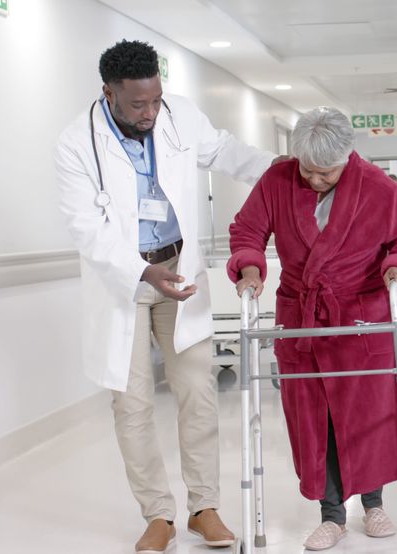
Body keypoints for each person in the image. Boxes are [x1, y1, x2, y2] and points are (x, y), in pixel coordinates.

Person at [54, 39, 285, 554]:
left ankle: (204, 508)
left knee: (197, 391)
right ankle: (158, 514)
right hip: (126, 281)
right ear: (108, 93)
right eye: (138, 104)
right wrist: (142, 272)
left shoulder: (178, 115)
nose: (151, 112)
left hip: (179, 270)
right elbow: (86, 229)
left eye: (156, 99)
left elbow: (228, 152)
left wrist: (288, 167)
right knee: (131, 403)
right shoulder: (76, 143)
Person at [226, 108, 397, 551]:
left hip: (359, 317)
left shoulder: (375, 186)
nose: (314, 180)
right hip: (302, 320)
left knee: (367, 413)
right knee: (315, 421)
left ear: (346, 157)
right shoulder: (278, 181)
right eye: (308, 171)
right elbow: (247, 229)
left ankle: (373, 505)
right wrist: (251, 268)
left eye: (326, 174)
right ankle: (332, 515)